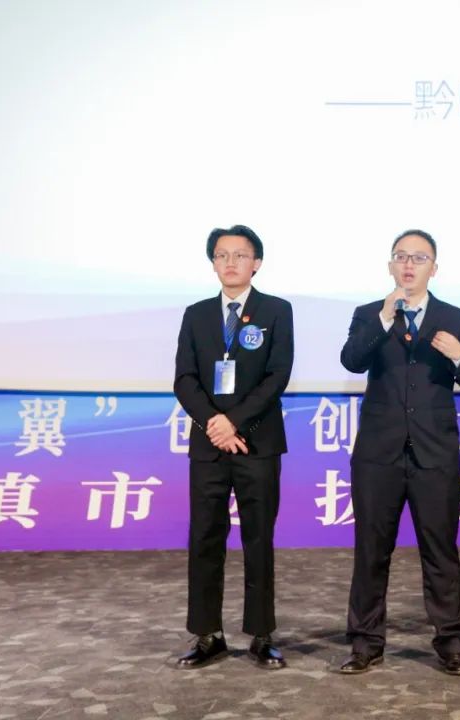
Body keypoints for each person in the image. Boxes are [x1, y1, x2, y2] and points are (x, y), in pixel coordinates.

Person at [337, 229, 460, 676]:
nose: (409, 264)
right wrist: (384, 319)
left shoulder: (454, 317)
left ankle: (451, 640)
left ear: (433, 268)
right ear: (390, 265)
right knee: (371, 551)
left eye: (419, 258)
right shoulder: (370, 314)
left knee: (440, 550)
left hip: (434, 453)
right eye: (401, 256)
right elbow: (351, 360)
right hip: (378, 454)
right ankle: (365, 641)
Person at [173, 225, 294, 669]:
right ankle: (208, 634)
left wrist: (235, 422)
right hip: (209, 445)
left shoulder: (276, 311)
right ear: (213, 263)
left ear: (256, 263)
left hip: (257, 443)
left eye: (240, 255)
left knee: (258, 538)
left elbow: (277, 375)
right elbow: (184, 379)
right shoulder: (196, 314)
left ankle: (261, 634)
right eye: (221, 255)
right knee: (205, 538)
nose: (230, 263)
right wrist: (214, 424)